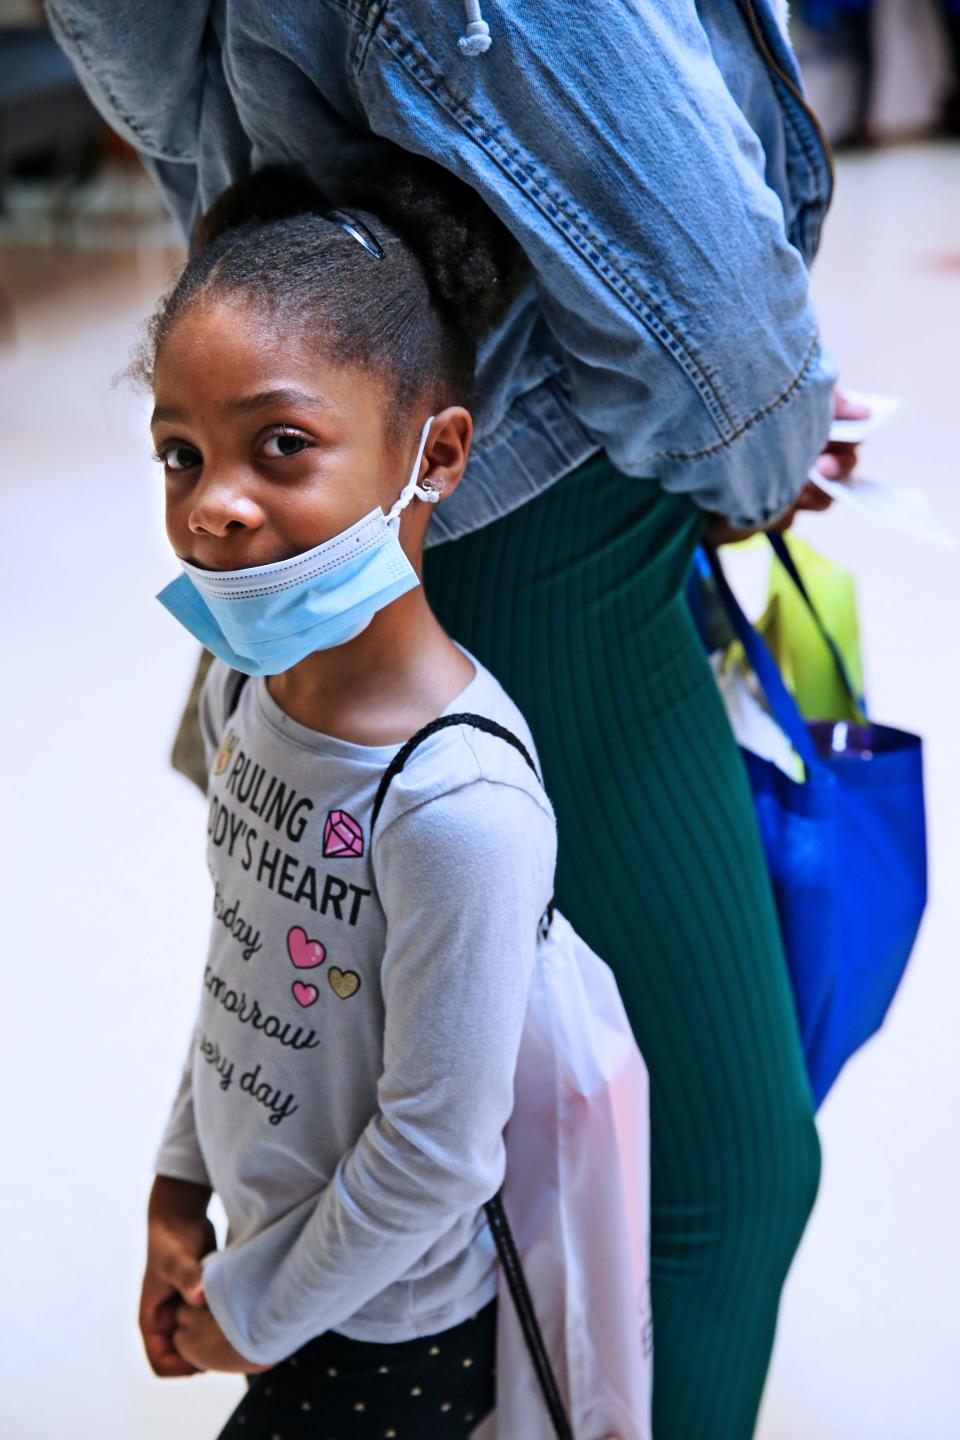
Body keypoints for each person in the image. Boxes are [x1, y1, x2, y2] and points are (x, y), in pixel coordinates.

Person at [52, 3, 853, 1432]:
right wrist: (759, 450)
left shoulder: (298, 697)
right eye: (178, 454)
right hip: (540, 527)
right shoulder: (429, 769)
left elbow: (191, 118)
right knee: (719, 1180)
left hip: (405, 493)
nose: (208, 506)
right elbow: (713, 308)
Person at [139, 160, 559, 1438]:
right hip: (264, 1269)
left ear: (433, 452)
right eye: (180, 452)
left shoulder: (461, 804)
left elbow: (438, 1151)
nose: (213, 505)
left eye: (281, 445)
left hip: (388, 1333)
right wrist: (180, 1177)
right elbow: (243, 969)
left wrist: (258, 1311)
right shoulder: (244, 696)